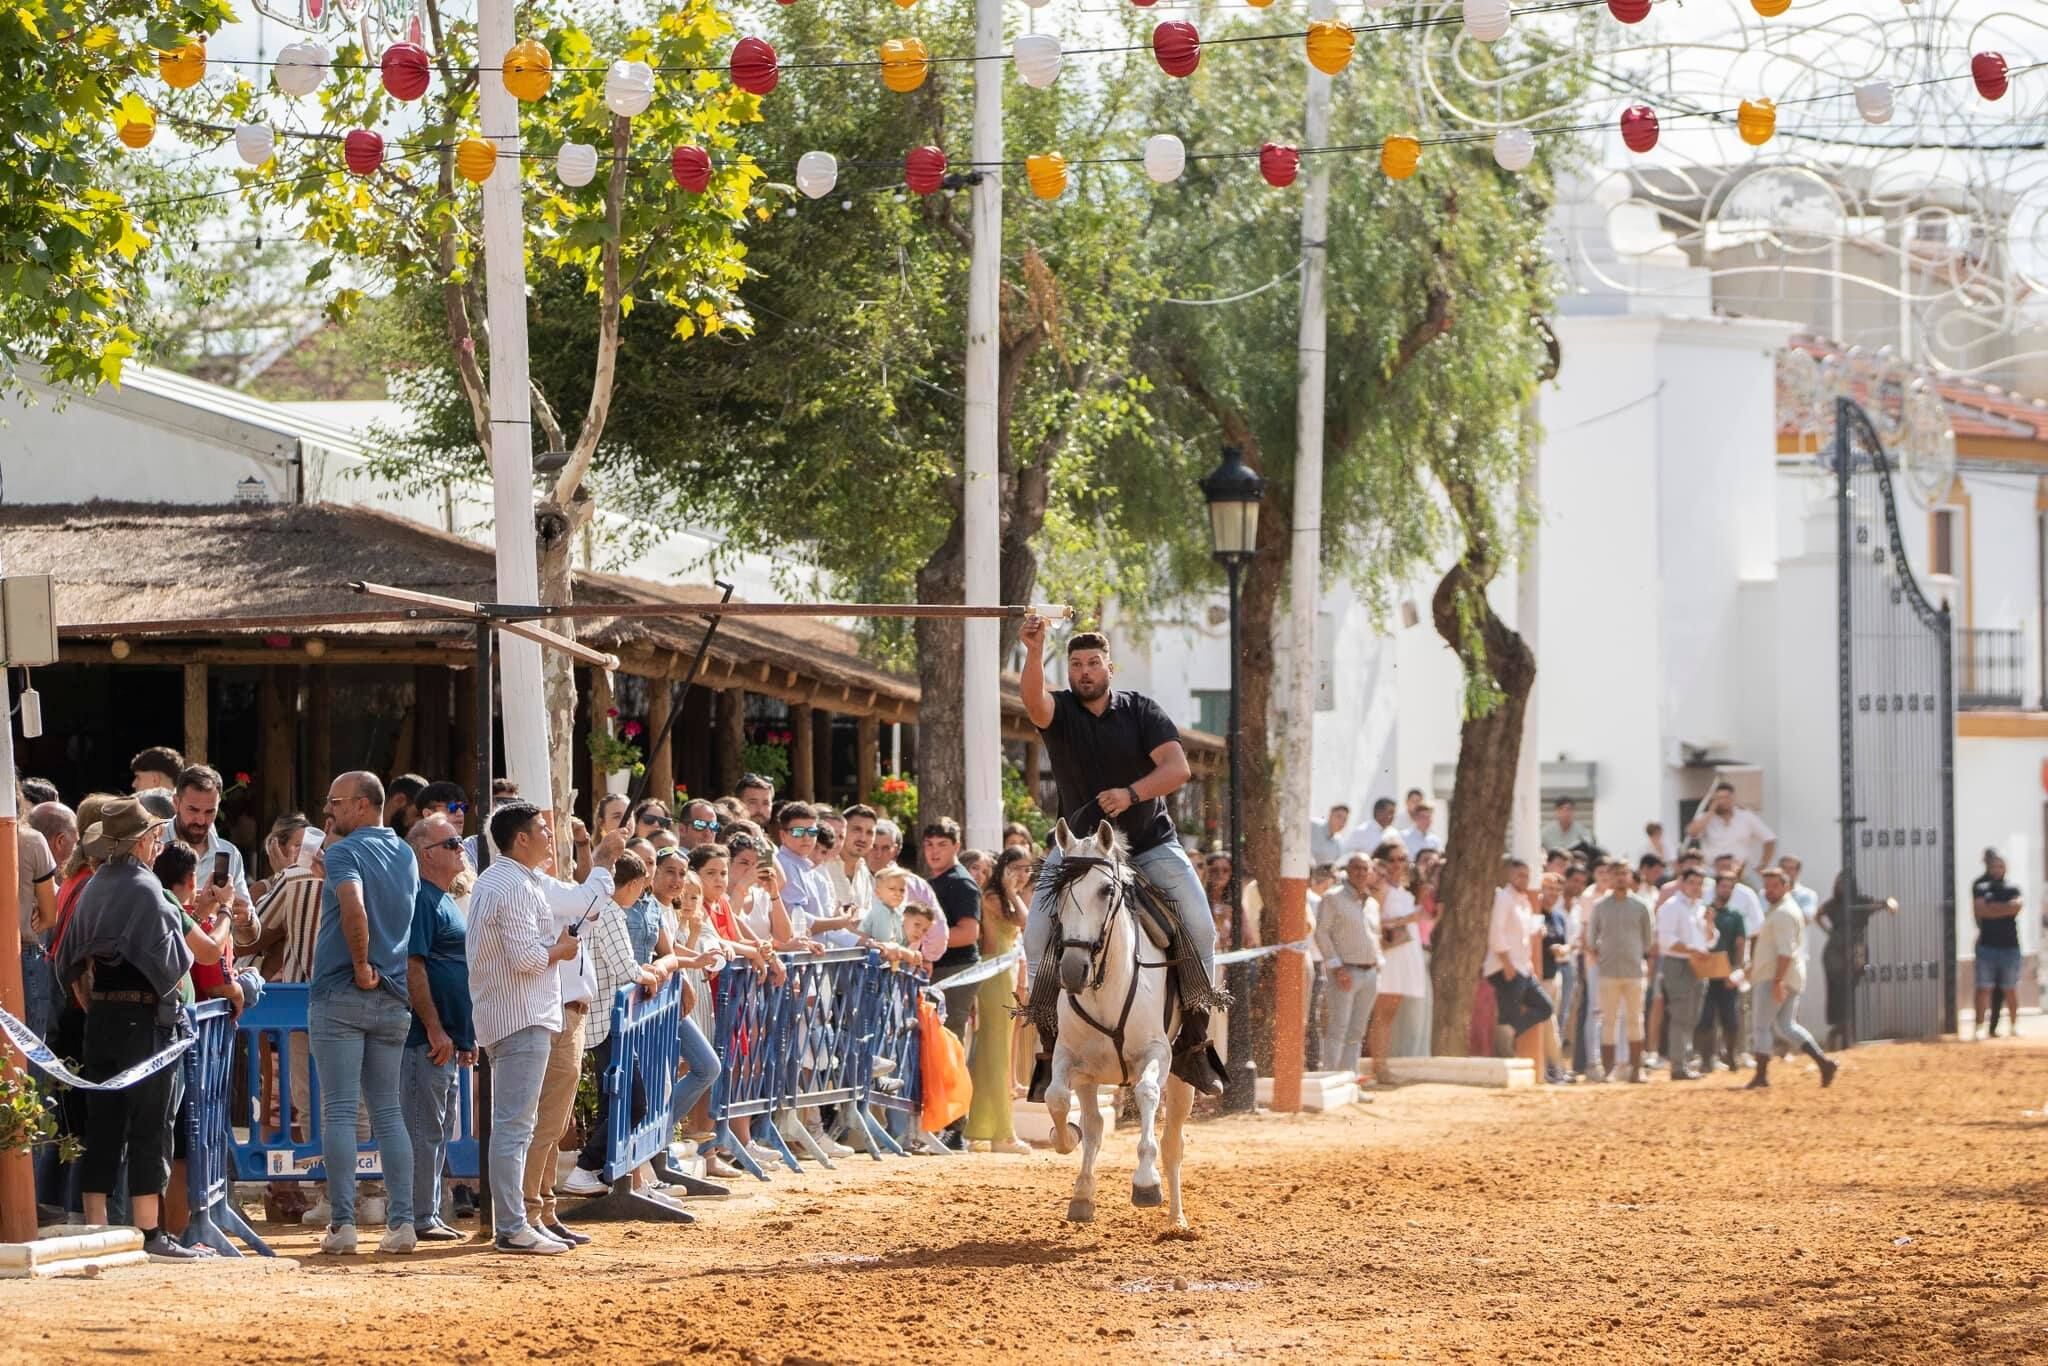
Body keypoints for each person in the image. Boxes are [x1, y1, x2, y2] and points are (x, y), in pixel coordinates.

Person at [1017, 620, 1228, 1097]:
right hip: (1077, 854)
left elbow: (1178, 769)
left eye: (1093, 663)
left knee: (1200, 926)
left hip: (1150, 844)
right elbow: (1034, 702)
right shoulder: (1061, 710)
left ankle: (1194, 1044)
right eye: (1076, 665)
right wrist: (1033, 651)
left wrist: (1131, 794)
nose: (1085, 672)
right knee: (1035, 936)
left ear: (1109, 667)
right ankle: (1050, 1050)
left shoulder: (1141, 711)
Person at [51, 799, 202, 1261]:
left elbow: (66, 962)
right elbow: (177, 963)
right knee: (150, 1126)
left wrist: (91, 1000)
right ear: (141, 841)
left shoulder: (94, 886)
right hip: (145, 1024)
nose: (159, 843)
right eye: (156, 836)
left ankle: (96, 1225)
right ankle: (149, 1233)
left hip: (100, 1019)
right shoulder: (147, 889)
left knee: (103, 1124)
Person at [308, 771, 420, 1255]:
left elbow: (352, 903)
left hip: (344, 989)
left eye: (335, 802)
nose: (328, 810)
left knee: (339, 1111)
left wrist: (358, 963)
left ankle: (344, 1225)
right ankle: (402, 1225)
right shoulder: (405, 852)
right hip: (393, 995)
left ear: (361, 805)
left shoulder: (344, 853)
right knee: (388, 1113)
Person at [466, 801, 582, 1253]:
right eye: (542, 830)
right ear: (520, 839)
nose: (550, 837)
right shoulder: (510, 885)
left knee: (515, 1125)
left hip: (516, 1014)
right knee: (515, 1127)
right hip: (520, 1015)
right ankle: (512, 1227)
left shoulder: (510, 880)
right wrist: (561, 949)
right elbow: (526, 958)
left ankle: (514, 1223)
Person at [522, 821, 626, 1247]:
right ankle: (530, 1209)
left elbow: (590, 903)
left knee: (557, 1119)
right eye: (545, 832)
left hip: (572, 1011)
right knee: (544, 1120)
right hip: (557, 1011)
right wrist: (602, 859)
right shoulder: (538, 888)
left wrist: (596, 858)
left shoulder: (549, 887)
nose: (552, 842)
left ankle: (544, 1207)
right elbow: (590, 896)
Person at [400, 815, 472, 1243]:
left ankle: (425, 1212)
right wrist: (434, 1028)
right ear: (427, 854)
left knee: (437, 1130)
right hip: (425, 1041)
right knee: (425, 1131)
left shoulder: (442, 899)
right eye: (452, 843)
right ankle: (416, 1216)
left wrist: (462, 1035)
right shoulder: (423, 900)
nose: (461, 847)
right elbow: (414, 966)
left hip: (442, 1039)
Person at [1747, 867, 1839, 1089]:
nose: (1768, 890)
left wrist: (1778, 981)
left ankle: (1761, 1076)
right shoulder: (1783, 909)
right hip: (1787, 975)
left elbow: (1784, 951)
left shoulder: (1782, 913)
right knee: (1787, 1025)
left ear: (1786, 886)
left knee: (1761, 1026)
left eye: (1774, 886)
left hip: (1776, 976)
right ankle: (1823, 1063)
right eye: (1766, 886)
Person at [967, 846, 1032, 1154]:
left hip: (1006, 976)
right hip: (993, 976)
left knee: (997, 1055)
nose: (1023, 874)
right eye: (1017, 867)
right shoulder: (994, 896)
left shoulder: (1003, 895)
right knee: (996, 1056)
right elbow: (1023, 920)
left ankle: (984, 1129)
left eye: (1027, 869)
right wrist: (1009, 889)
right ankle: (1002, 1133)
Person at [1314, 852, 1381, 1078]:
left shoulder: (1372, 903)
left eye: (1365, 869)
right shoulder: (1333, 897)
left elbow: (1375, 936)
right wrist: (1337, 967)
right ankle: (1331, 1078)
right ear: (1348, 870)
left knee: (1357, 1031)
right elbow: (1322, 933)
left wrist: (1378, 964)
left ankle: (1349, 1080)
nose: (1361, 873)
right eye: (1357, 868)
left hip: (1370, 972)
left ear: (1370, 872)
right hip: (1345, 971)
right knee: (1338, 1028)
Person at [1365, 843, 1427, 1085]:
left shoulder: (1403, 889)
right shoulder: (1381, 889)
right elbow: (1375, 922)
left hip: (1405, 956)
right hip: (1391, 957)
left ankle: (1382, 1065)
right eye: (1393, 859)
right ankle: (1379, 1067)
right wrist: (1407, 919)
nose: (1398, 864)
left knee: (1389, 1015)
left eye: (1402, 858)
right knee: (1382, 1014)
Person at [1589, 864, 1654, 1083]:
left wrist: (1634, 955)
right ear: (1610, 877)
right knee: (1609, 1020)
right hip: (1608, 971)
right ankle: (1608, 1071)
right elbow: (1591, 938)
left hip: (1634, 971)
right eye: (1616, 874)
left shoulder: (1641, 906)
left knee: (1636, 1019)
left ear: (1630, 877)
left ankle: (1637, 1070)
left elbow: (1648, 940)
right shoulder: (1599, 907)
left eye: (1624, 874)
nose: (1620, 878)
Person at [170, 766, 255, 933]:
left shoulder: (229, 853)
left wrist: (246, 921)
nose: (201, 820)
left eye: (210, 812)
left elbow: (248, 939)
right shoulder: (154, 845)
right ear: (175, 803)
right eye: (193, 810)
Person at [922, 817, 982, 1048]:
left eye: (942, 844)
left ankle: (951, 1086)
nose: (934, 851)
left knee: (948, 1039)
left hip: (955, 969)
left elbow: (968, 933)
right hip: (939, 969)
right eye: (929, 844)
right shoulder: (935, 881)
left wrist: (924, 946)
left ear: (956, 846)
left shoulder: (961, 882)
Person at [1487, 862, 1550, 1078]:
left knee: (1544, 1006)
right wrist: (1506, 962)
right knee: (1508, 1013)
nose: (1523, 879)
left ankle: (1509, 1039)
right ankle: (1504, 1062)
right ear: (1509, 875)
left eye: (1526, 875)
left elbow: (1522, 936)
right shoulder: (1503, 898)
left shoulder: (1524, 901)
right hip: (1506, 966)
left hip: (1521, 967)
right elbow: (1497, 931)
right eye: (1519, 875)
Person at [1653, 867, 1716, 1080]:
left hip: (1699, 964)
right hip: (1678, 964)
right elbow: (1665, 940)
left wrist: (1709, 923)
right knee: (1681, 1015)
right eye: (1692, 882)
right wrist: (1691, 950)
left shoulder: (1699, 907)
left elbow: (1710, 939)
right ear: (1682, 882)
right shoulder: (1671, 907)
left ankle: (1684, 1061)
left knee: (1692, 1016)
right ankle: (1678, 1066)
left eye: (1699, 883)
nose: (1696, 887)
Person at [1694, 872, 1748, 1072]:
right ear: (1716, 888)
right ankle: (1706, 1059)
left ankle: (1731, 1055)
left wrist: (1737, 969)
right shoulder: (1705, 912)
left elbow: (1740, 943)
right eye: (1723, 886)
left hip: (1727, 972)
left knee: (1730, 1018)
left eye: (1730, 887)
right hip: (1706, 971)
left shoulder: (1735, 916)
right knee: (1705, 1017)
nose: (1726, 890)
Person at [1971, 848, 2023, 1040]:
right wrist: (2005, 909)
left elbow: (2017, 906)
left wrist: (1993, 908)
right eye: (1994, 865)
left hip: (2010, 946)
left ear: (2005, 868)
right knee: (1984, 987)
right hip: (1987, 945)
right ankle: (1979, 1027)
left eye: (2000, 866)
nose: (1997, 869)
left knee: (2010, 987)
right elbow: (1980, 910)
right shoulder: (1981, 886)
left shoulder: (2013, 888)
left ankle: (2014, 1025)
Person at [1686, 783, 1775, 881]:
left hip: (1740, 873)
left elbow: (1769, 839)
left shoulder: (1746, 816)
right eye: (1719, 798)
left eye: (1726, 797)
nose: (1723, 801)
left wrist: (1763, 864)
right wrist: (1711, 811)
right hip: (1712, 873)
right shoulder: (1705, 818)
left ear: (1733, 798)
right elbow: (1691, 832)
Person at [1309, 804, 1351, 868]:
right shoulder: (1312, 825)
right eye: (1339, 817)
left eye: (1344, 819)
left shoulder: (1339, 843)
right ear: (1330, 815)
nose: (1341, 822)